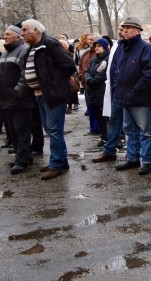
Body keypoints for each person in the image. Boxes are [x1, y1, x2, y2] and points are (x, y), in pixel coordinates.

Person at [16, 19, 77, 180]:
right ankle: (61, 161)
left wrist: (54, 83)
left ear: (36, 30)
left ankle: (56, 164)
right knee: (51, 129)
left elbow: (69, 65)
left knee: (54, 130)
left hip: (53, 95)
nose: (22, 33)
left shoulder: (50, 44)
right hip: (40, 95)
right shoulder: (33, 47)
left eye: (24, 30)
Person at [111, 16, 151, 176]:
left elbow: (149, 72)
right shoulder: (123, 47)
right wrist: (119, 87)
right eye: (123, 29)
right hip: (125, 97)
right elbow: (117, 69)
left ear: (137, 30)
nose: (124, 31)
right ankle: (132, 158)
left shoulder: (145, 48)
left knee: (145, 131)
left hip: (140, 99)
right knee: (129, 130)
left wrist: (135, 89)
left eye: (127, 28)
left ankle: (146, 161)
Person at [0, 25, 34, 174]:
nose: (4, 36)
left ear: (18, 36)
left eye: (7, 34)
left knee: (21, 131)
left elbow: (26, 74)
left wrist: (18, 92)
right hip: (6, 100)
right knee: (13, 132)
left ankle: (22, 161)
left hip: (19, 100)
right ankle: (24, 156)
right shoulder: (5, 53)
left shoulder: (24, 50)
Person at [92, 25, 125, 164]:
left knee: (133, 125)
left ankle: (137, 155)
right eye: (119, 28)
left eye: (124, 28)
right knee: (113, 120)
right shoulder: (117, 45)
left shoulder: (137, 47)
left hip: (128, 90)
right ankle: (110, 150)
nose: (120, 31)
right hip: (114, 90)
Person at [84, 38, 110, 147]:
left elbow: (101, 75)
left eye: (99, 46)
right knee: (99, 117)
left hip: (103, 92)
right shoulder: (94, 59)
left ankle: (111, 138)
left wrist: (90, 79)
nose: (97, 48)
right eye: (96, 46)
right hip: (93, 93)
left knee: (106, 118)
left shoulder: (107, 59)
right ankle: (103, 137)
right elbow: (87, 71)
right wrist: (88, 78)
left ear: (104, 47)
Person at [78, 32, 101, 135]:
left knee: (98, 110)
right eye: (89, 40)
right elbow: (80, 65)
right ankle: (93, 128)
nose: (90, 42)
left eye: (93, 40)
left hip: (98, 87)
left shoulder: (99, 53)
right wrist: (80, 76)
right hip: (87, 86)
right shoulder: (86, 53)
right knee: (90, 109)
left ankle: (100, 129)